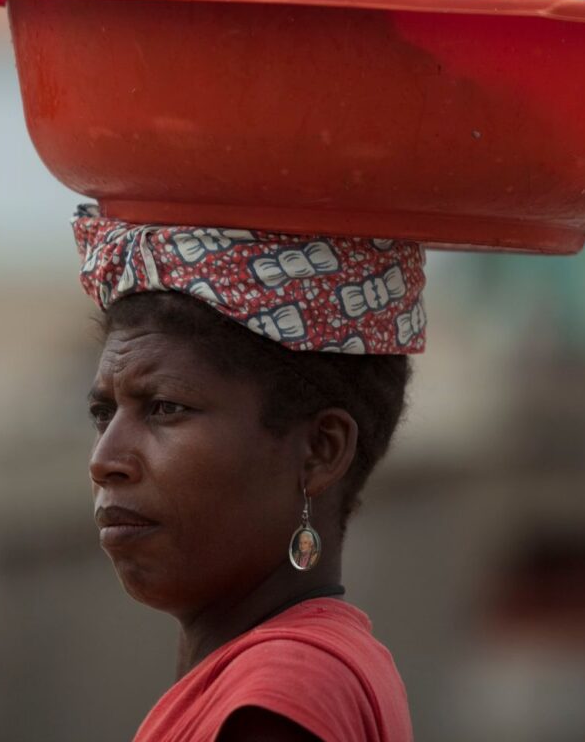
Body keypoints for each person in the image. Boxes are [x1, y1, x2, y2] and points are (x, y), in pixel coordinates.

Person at [75, 206, 422, 742]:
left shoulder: (281, 694)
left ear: (319, 451)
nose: (105, 460)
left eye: (165, 408)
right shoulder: (289, 672)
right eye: (104, 413)